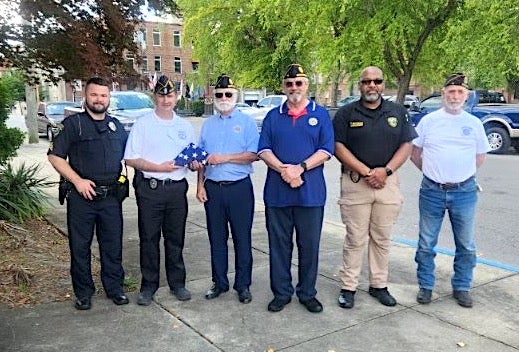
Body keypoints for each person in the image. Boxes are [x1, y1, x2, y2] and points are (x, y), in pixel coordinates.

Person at [332, 66, 417, 309]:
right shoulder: (346, 113)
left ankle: (378, 285)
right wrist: (367, 171)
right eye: (367, 81)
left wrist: (385, 171)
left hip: (387, 183)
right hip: (356, 183)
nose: (372, 85)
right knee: (355, 238)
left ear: (383, 84)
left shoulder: (398, 112)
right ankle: (348, 287)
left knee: (382, 238)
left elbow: (406, 145)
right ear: (360, 85)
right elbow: (338, 147)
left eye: (377, 81)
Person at [258, 64, 334, 313]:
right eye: (289, 84)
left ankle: (307, 293)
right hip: (277, 194)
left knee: (309, 246)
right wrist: (284, 170)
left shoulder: (320, 114)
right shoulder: (272, 116)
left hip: (310, 194)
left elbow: (326, 150)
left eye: (298, 83)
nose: (294, 88)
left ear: (307, 85)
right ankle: (281, 293)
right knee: (279, 246)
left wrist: (299, 169)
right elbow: (263, 150)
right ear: (284, 87)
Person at [48, 76, 129, 310]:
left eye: (103, 95)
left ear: (108, 98)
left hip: (111, 197)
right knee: (80, 247)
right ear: (85, 95)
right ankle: (84, 293)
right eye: (94, 94)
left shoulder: (116, 126)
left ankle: (115, 289)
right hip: (82, 197)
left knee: (112, 246)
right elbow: (55, 156)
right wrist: (77, 180)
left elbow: (133, 153)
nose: (99, 99)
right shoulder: (73, 124)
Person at [410, 73, 490, 308]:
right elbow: (415, 154)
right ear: (443, 94)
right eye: (451, 92)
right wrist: (435, 174)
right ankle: (425, 286)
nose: (455, 96)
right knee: (426, 243)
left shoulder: (473, 124)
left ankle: (462, 287)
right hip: (432, 191)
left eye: (460, 92)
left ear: (466, 96)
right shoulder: (429, 121)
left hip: (464, 192)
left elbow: (479, 156)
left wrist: (458, 176)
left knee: (465, 245)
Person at [124, 75, 195, 305]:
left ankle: (177, 283)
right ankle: (148, 286)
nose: (166, 100)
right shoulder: (143, 124)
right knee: (149, 238)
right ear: (155, 97)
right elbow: (131, 159)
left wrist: (194, 164)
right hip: (151, 189)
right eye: (162, 95)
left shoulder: (184, 126)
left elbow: (192, 156)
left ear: (176, 97)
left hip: (176, 189)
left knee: (175, 239)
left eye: (170, 95)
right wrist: (158, 167)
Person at [195, 74, 259, 304]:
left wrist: (225, 158)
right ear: (214, 96)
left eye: (228, 94)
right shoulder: (208, 124)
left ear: (236, 96)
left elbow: (254, 155)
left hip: (239, 189)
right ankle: (219, 282)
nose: (224, 98)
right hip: (213, 189)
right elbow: (201, 157)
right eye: (219, 94)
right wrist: (200, 185)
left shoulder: (247, 122)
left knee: (242, 238)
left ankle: (243, 285)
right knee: (216, 238)